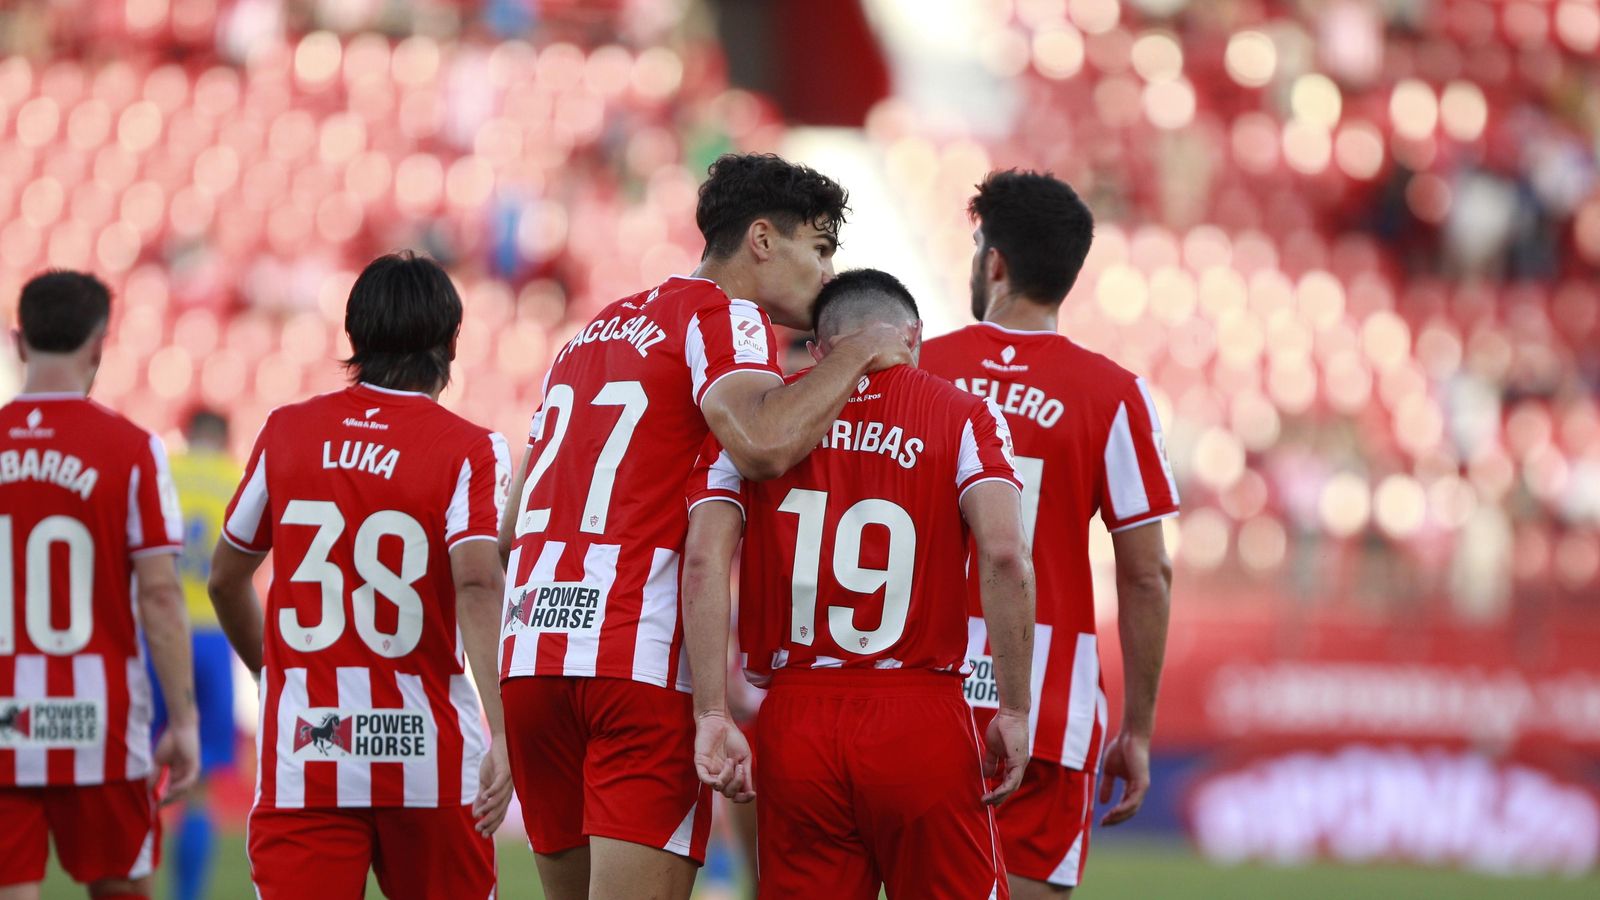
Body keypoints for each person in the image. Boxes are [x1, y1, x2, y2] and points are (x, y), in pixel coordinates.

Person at [496, 152, 911, 900]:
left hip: (533, 660)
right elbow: (759, 443)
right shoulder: (725, 316)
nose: (826, 276)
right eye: (818, 250)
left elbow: (510, 521)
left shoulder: (593, 333)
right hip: (632, 658)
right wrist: (853, 354)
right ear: (761, 239)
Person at [682, 269, 1037, 899]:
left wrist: (711, 709)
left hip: (796, 716)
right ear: (914, 337)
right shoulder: (964, 415)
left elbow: (705, 561)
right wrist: (1012, 709)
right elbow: (1005, 555)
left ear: (819, 349)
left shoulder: (754, 426)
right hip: (917, 709)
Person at [206, 253, 514, 900]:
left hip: (310, 751)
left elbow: (226, 578)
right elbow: (478, 583)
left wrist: (272, 673)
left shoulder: (287, 431)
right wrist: (507, 733)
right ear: (450, 342)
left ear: (354, 337)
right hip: (428, 751)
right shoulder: (470, 449)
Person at [920, 170, 1180, 897]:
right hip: (1045, 702)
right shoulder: (1113, 394)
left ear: (993, 262)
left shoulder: (918, 368)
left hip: (918, 691)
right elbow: (1147, 574)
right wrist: (1138, 728)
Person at [0, 270, 199, 900]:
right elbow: (161, 595)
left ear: (19, 341)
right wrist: (184, 719)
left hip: (3, 718)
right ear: (98, 346)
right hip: (102, 723)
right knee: (120, 889)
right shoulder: (133, 449)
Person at [153, 408, 242, 900]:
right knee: (202, 784)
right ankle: (187, 898)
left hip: (159, 631)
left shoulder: (165, 474)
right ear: (225, 436)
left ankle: (130, 885)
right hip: (213, 634)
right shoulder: (234, 479)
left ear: (187, 434)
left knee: (141, 772)